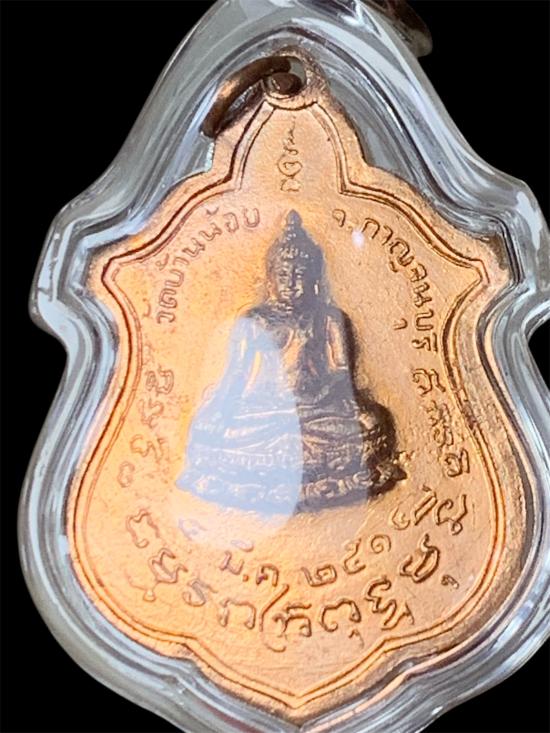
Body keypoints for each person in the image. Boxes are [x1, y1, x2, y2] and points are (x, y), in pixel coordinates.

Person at [177, 211, 404, 513]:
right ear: (271, 278)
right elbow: (236, 379)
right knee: (210, 430)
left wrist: (321, 394)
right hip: (265, 410)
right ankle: (322, 472)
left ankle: (277, 472)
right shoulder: (255, 321)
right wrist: (220, 410)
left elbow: (341, 374)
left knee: (375, 422)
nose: (293, 284)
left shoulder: (329, 319)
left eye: (300, 275)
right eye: (284, 275)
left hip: (318, 409)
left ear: (314, 279)